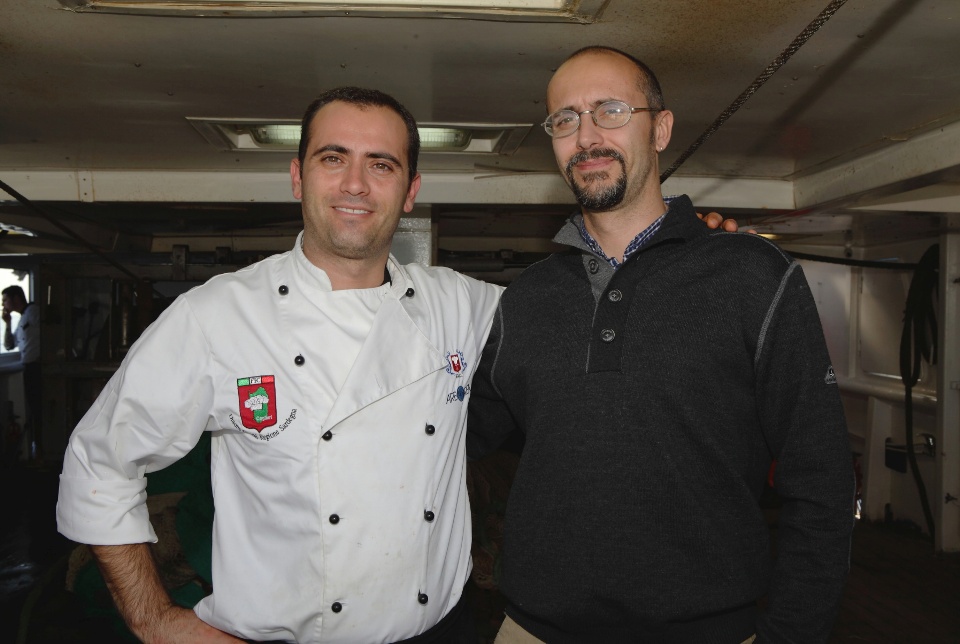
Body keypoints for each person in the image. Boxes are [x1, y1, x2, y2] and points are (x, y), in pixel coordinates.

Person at [56, 87, 504, 644]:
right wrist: (154, 620)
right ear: (298, 177)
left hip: (438, 631)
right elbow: (99, 462)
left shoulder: (462, 304)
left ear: (410, 190)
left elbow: (575, 319)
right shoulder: (216, 315)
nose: (355, 184)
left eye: (381, 165)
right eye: (333, 158)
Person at [467, 46, 855, 644]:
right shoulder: (526, 297)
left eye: (611, 110)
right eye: (564, 119)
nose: (587, 135)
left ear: (662, 129)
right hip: (530, 630)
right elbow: (450, 438)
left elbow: (822, 478)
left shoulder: (753, 276)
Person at [2, 284, 42, 459]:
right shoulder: (21, 320)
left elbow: (47, 334)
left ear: (16, 299)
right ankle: (38, 448)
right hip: (29, 368)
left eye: (5, 300)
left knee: (38, 408)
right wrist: (8, 323)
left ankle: (41, 449)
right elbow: (9, 345)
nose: (3, 305)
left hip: (37, 367)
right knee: (33, 407)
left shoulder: (34, 312)